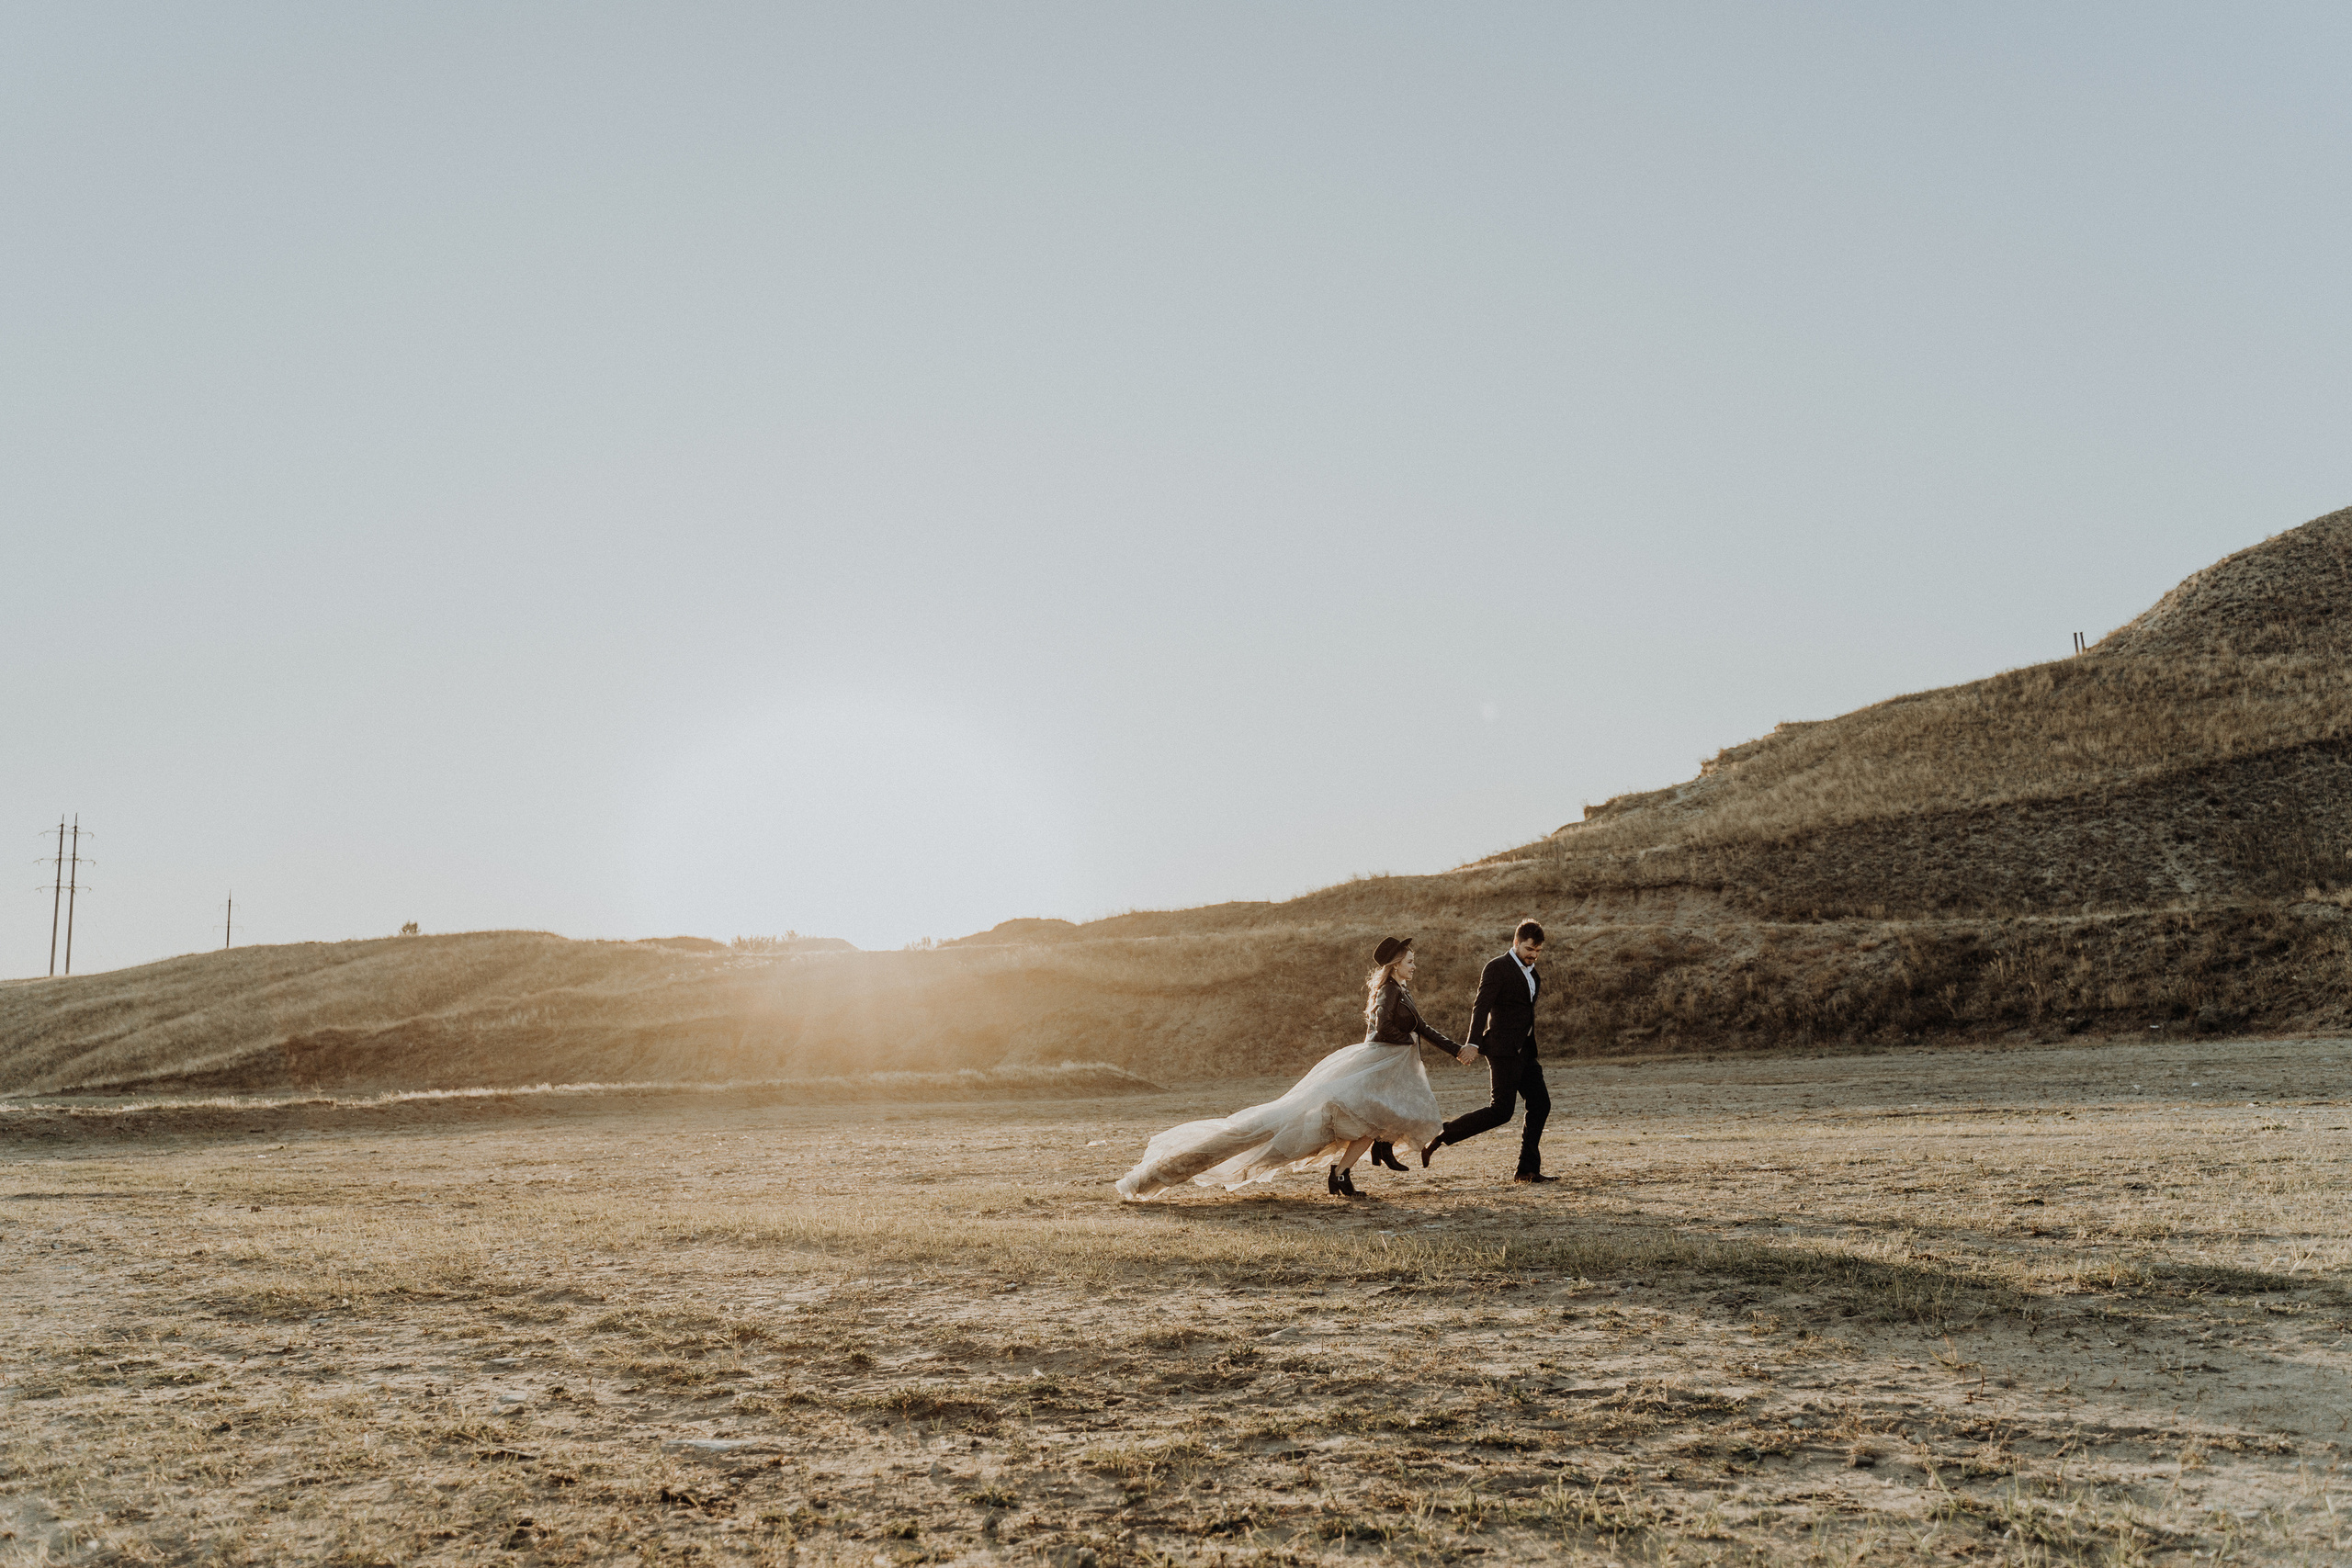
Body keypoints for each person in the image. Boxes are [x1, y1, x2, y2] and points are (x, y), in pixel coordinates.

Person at [1114, 936, 1478, 1201]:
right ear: (1396, 964)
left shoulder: (1401, 991)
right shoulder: (1387, 992)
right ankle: (1162, 1173)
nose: (1415, 966)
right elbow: (1385, 1030)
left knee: (1375, 1123)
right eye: (1410, 961)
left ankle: (1341, 1175)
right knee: (1287, 1125)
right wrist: (1407, 1043)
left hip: (1379, 1069)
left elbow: (1423, 1028)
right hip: (1369, 1067)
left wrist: (1455, 1050)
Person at [1421, 919, 1556, 1184]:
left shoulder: (1533, 973)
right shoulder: (1497, 967)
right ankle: (1440, 1136)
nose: (1534, 955)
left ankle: (1526, 1170)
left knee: (1540, 1104)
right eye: (1530, 949)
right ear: (1516, 943)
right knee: (1501, 1112)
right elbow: (1481, 1007)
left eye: (1538, 951)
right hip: (1503, 1051)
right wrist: (1472, 1043)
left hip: (1526, 1051)